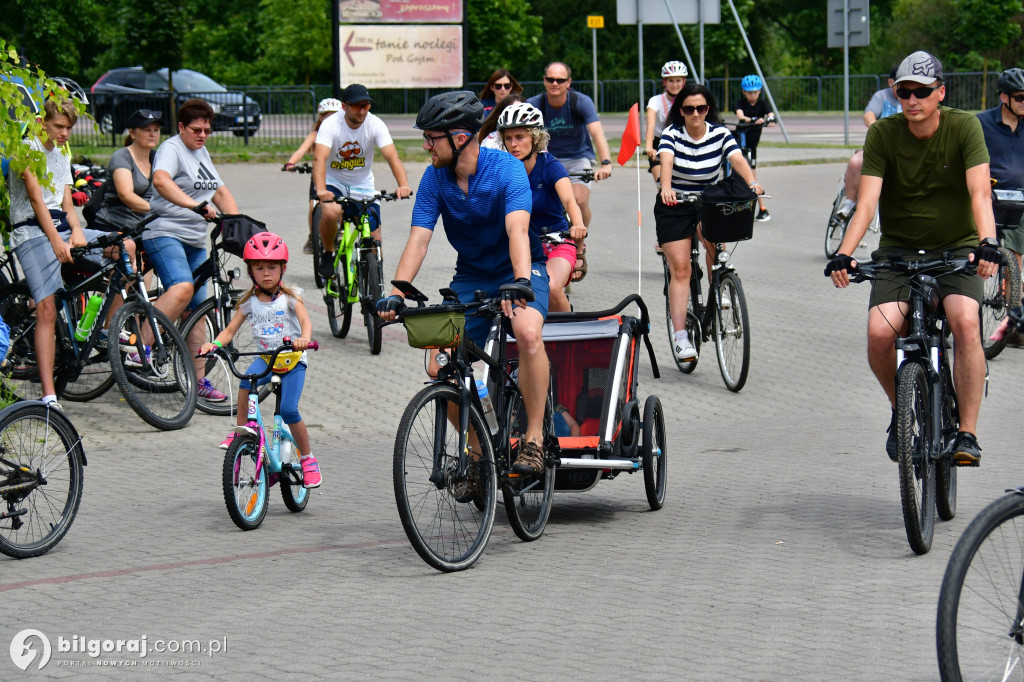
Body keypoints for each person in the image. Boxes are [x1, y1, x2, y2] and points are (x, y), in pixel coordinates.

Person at [825, 50, 999, 466]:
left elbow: (979, 193)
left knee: (965, 322)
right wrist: (844, 253)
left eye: (922, 92)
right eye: (904, 92)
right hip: (899, 252)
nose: (912, 100)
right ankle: (900, 409)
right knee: (880, 334)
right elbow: (866, 204)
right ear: (895, 92)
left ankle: (968, 433)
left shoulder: (964, 128)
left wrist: (988, 242)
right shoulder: (883, 134)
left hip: (957, 249)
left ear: (941, 91)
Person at [377, 91, 551, 473]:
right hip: (471, 276)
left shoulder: (506, 169)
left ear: (458, 138)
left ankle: (535, 439)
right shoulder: (434, 178)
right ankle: (477, 454)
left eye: (430, 137)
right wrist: (395, 293)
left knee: (527, 334)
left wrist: (520, 280)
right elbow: (419, 239)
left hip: (519, 270)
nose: (425, 145)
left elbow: (518, 230)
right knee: (440, 365)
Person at [5, 97, 111, 407]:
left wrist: (77, 231)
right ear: (42, 123)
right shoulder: (25, 149)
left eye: (69, 128)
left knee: (122, 248)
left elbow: (66, 202)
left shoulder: (62, 150)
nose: (65, 134)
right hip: (31, 231)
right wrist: (56, 241)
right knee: (47, 307)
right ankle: (49, 395)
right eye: (59, 127)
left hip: (61, 227)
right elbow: (38, 201)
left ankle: (101, 330)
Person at [199, 232, 320, 488]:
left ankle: (308, 459)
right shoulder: (249, 303)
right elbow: (229, 331)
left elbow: (306, 321)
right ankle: (241, 431)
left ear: (282, 269)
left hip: (292, 359)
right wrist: (215, 343)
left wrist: (304, 339)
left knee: (288, 410)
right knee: (245, 384)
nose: (266, 273)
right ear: (250, 271)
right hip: (266, 358)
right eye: (259, 267)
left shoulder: (290, 297)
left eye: (272, 267)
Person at [657, 83, 763, 362]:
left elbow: (737, 158)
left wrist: (752, 181)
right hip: (675, 204)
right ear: (681, 110)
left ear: (708, 110)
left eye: (701, 108)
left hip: (709, 200)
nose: (695, 114)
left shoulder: (720, 133)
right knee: (680, 268)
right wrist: (666, 187)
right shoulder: (672, 134)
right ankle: (681, 337)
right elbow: (665, 160)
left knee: (716, 249)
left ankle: (719, 285)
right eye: (689, 108)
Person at [148, 98, 239, 403]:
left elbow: (220, 190)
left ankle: (197, 381)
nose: (202, 135)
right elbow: (160, 180)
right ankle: (139, 346)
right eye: (197, 130)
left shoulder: (202, 152)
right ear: (182, 127)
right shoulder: (172, 149)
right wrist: (194, 205)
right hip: (164, 232)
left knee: (201, 309)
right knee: (183, 288)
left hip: (194, 239)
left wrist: (238, 224)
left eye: (207, 131)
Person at [312, 83, 412, 278]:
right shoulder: (331, 124)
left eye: (366, 106)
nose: (362, 110)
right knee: (331, 213)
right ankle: (328, 252)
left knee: (374, 236)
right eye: (357, 106)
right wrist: (321, 189)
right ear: (344, 106)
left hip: (363, 186)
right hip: (335, 184)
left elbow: (392, 156)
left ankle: (375, 282)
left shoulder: (375, 123)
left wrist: (403, 184)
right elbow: (319, 158)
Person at [497, 101, 586, 313]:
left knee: (552, 287)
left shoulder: (550, 165)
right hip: (520, 246)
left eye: (520, 137)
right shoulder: (503, 169)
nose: (513, 144)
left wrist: (578, 224)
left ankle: (570, 337)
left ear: (535, 138)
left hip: (556, 242)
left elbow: (569, 201)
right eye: (508, 138)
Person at [527, 62, 613, 229]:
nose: (555, 84)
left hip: (577, 159)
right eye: (550, 79)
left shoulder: (580, 101)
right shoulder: (534, 105)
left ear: (569, 82)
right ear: (544, 81)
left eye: (560, 80)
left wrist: (606, 163)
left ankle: (580, 247)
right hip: (545, 159)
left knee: (578, 201)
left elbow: (596, 132)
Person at [836, 67, 902, 220]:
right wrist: (876, 127)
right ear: (890, 82)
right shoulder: (882, 96)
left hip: (903, 148)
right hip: (881, 145)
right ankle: (850, 201)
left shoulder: (912, 98)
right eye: (898, 84)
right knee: (856, 162)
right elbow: (868, 114)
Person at [284, 98, 343, 254]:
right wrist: (291, 163)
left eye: (334, 115)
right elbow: (301, 151)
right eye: (326, 115)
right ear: (320, 117)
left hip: (339, 173)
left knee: (343, 203)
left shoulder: (344, 133)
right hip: (319, 174)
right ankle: (312, 235)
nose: (329, 118)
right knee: (313, 205)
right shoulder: (315, 134)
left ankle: (342, 230)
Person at [91, 109, 160, 233]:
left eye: (156, 130)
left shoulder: (158, 157)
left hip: (146, 227)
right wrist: (159, 210)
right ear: (132, 133)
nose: (152, 134)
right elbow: (126, 195)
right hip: (115, 227)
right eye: (146, 130)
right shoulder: (122, 157)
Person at [734, 74, 775, 222]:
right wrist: (752, 120)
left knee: (752, 177)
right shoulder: (740, 103)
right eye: (749, 92)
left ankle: (762, 209)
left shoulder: (763, 104)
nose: (752, 96)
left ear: (759, 92)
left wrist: (770, 119)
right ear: (744, 92)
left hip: (752, 147)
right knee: (738, 175)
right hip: (740, 143)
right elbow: (740, 116)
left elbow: (771, 115)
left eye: (755, 92)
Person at [645, 61, 688, 187]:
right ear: (664, 82)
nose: (674, 84)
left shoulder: (688, 99)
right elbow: (650, 125)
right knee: (663, 187)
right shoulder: (655, 101)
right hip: (659, 144)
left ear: (683, 81)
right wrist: (649, 147)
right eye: (671, 81)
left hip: (683, 143)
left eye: (678, 80)